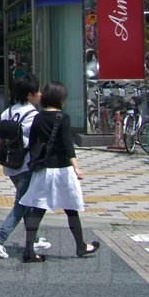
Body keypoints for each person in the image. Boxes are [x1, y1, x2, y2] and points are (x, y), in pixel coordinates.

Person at [19, 80, 101, 262]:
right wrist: (77, 168)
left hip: (43, 171)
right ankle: (80, 246)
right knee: (71, 209)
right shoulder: (63, 118)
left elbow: (32, 144)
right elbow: (67, 145)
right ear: (60, 98)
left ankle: (28, 249)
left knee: (38, 209)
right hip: (62, 170)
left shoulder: (38, 117)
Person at [0, 74, 51, 259]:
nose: (40, 94)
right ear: (30, 95)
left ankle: (35, 238)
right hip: (25, 165)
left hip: (10, 164)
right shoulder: (33, 116)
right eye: (37, 91)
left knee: (26, 202)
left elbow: (1, 141)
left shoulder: (6, 113)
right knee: (22, 204)